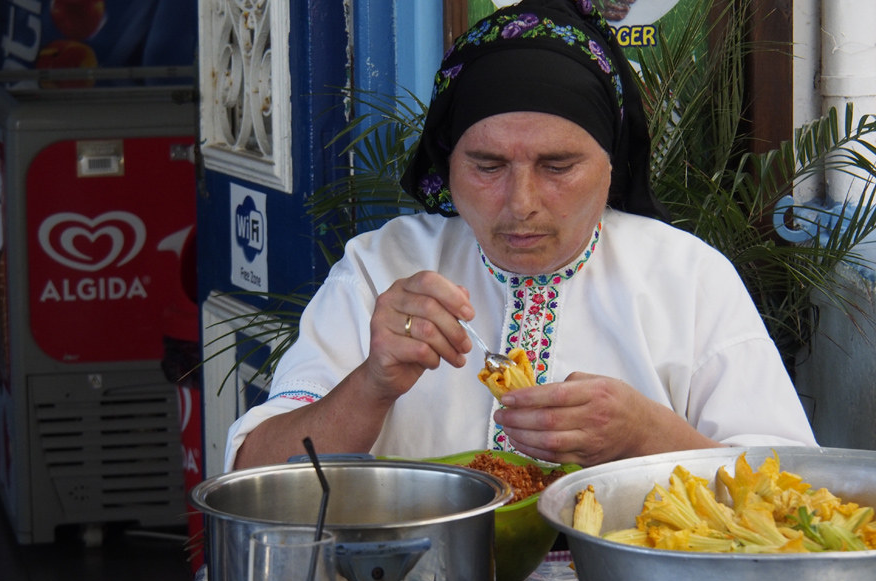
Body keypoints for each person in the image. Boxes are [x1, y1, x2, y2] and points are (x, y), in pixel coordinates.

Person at [226, 0, 815, 471]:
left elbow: (794, 498)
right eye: (487, 166)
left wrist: (648, 436)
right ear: (446, 163)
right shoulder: (382, 268)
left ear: (611, 165)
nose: (521, 204)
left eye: (557, 167)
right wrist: (372, 385)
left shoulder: (688, 279)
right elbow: (255, 471)